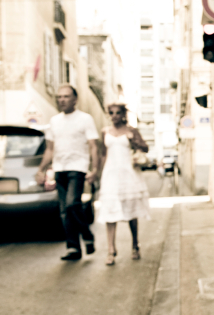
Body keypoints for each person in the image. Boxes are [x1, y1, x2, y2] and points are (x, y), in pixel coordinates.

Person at [36, 84, 99, 261]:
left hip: (77, 168)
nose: (61, 100)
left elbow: (93, 145)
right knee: (65, 211)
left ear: (75, 99)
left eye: (65, 96)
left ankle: (87, 235)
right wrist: (41, 169)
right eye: (59, 97)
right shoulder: (54, 121)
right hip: (59, 169)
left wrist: (94, 169)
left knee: (72, 204)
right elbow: (49, 149)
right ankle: (73, 248)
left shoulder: (85, 119)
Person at [95, 103, 150, 265]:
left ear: (123, 114)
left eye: (118, 113)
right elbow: (103, 155)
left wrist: (135, 141)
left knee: (131, 213)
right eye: (111, 113)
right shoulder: (105, 131)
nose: (114, 116)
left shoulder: (131, 131)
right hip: (110, 174)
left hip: (129, 174)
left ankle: (135, 245)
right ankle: (111, 250)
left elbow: (145, 148)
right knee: (110, 211)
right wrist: (99, 174)